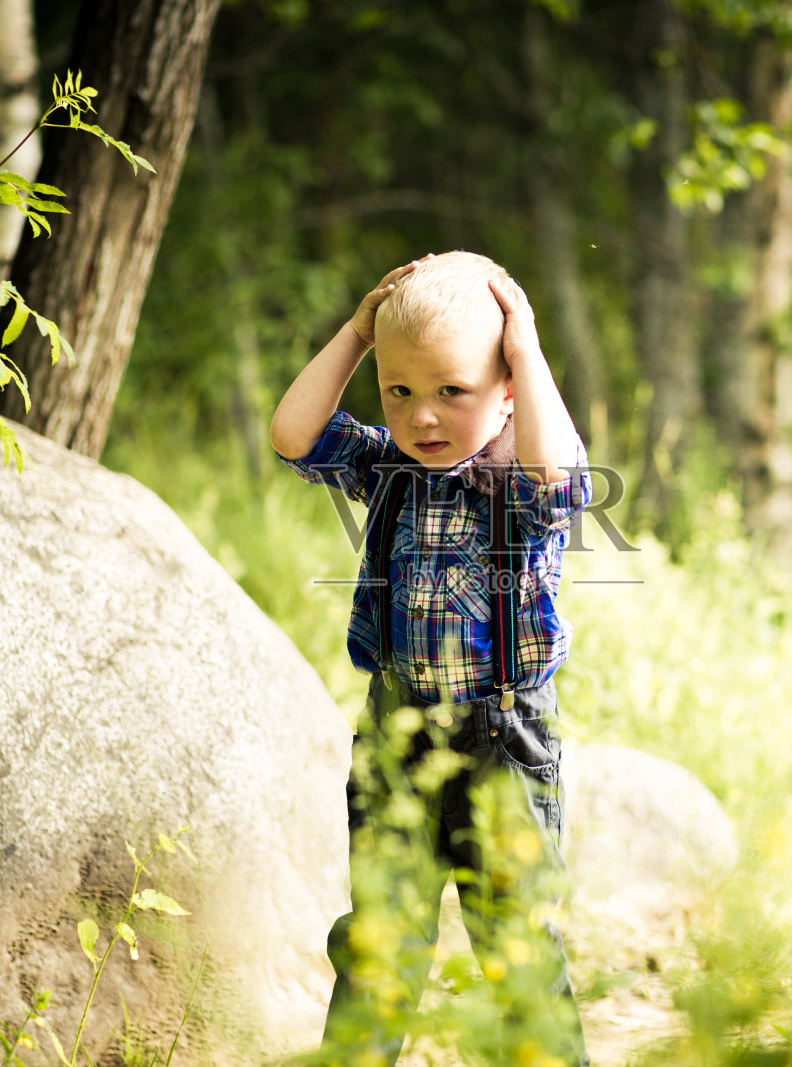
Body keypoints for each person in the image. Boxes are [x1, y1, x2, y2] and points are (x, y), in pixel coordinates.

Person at [271, 250, 593, 1066]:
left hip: (504, 743)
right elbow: (293, 433)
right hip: (399, 733)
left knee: (518, 948)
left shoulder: (519, 480)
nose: (422, 418)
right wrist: (355, 334)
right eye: (400, 391)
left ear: (507, 388)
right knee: (378, 941)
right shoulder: (386, 470)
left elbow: (562, 481)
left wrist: (526, 350)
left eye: (453, 390)